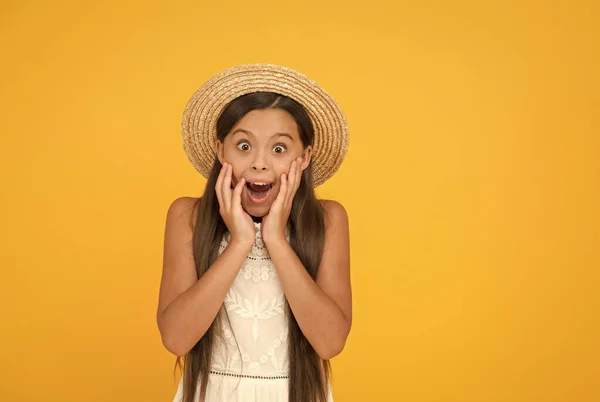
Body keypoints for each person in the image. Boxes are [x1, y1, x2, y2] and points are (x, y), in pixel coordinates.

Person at [157, 64, 352, 402]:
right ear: (221, 151)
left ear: (304, 157)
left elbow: (330, 342)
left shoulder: (327, 219)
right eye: (244, 146)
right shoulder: (187, 216)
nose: (259, 163)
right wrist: (240, 242)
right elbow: (175, 339)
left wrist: (276, 239)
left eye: (279, 149)